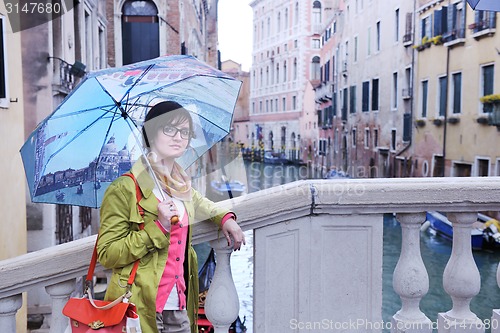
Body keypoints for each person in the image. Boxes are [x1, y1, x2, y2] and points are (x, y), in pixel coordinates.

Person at [97, 101, 246, 333]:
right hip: (138, 305)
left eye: (185, 132)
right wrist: (158, 227)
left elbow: (201, 203)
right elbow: (107, 254)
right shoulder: (124, 188)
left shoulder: (180, 184)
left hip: (178, 304)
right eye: (170, 129)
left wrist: (226, 218)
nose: (179, 137)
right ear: (151, 134)